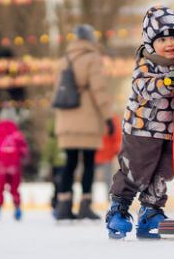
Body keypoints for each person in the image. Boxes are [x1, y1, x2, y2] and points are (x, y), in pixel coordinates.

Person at [105, 5, 174, 239]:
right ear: (149, 42)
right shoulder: (146, 62)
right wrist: (167, 80)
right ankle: (118, 210)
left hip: (171, 131)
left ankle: (150, 212)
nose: (169, 43)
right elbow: (143, 85)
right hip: (141, 129)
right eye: (162, 38)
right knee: (136, 170)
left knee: (163, 173)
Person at [54, 24, 115, 220]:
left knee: (69, 163)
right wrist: (108, 116)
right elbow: (99, 90)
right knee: (88, 163)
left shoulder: (63, 60)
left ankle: (63, 205)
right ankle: (85, 205)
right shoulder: (92, 58)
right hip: (88, 119)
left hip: (66, 118)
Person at [0, 106, 29, 221]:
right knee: (14, 188)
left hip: (1, 164)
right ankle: (17, 209)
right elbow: (23, 149)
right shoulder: (17, 132)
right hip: (14, 164)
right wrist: (22, 157)